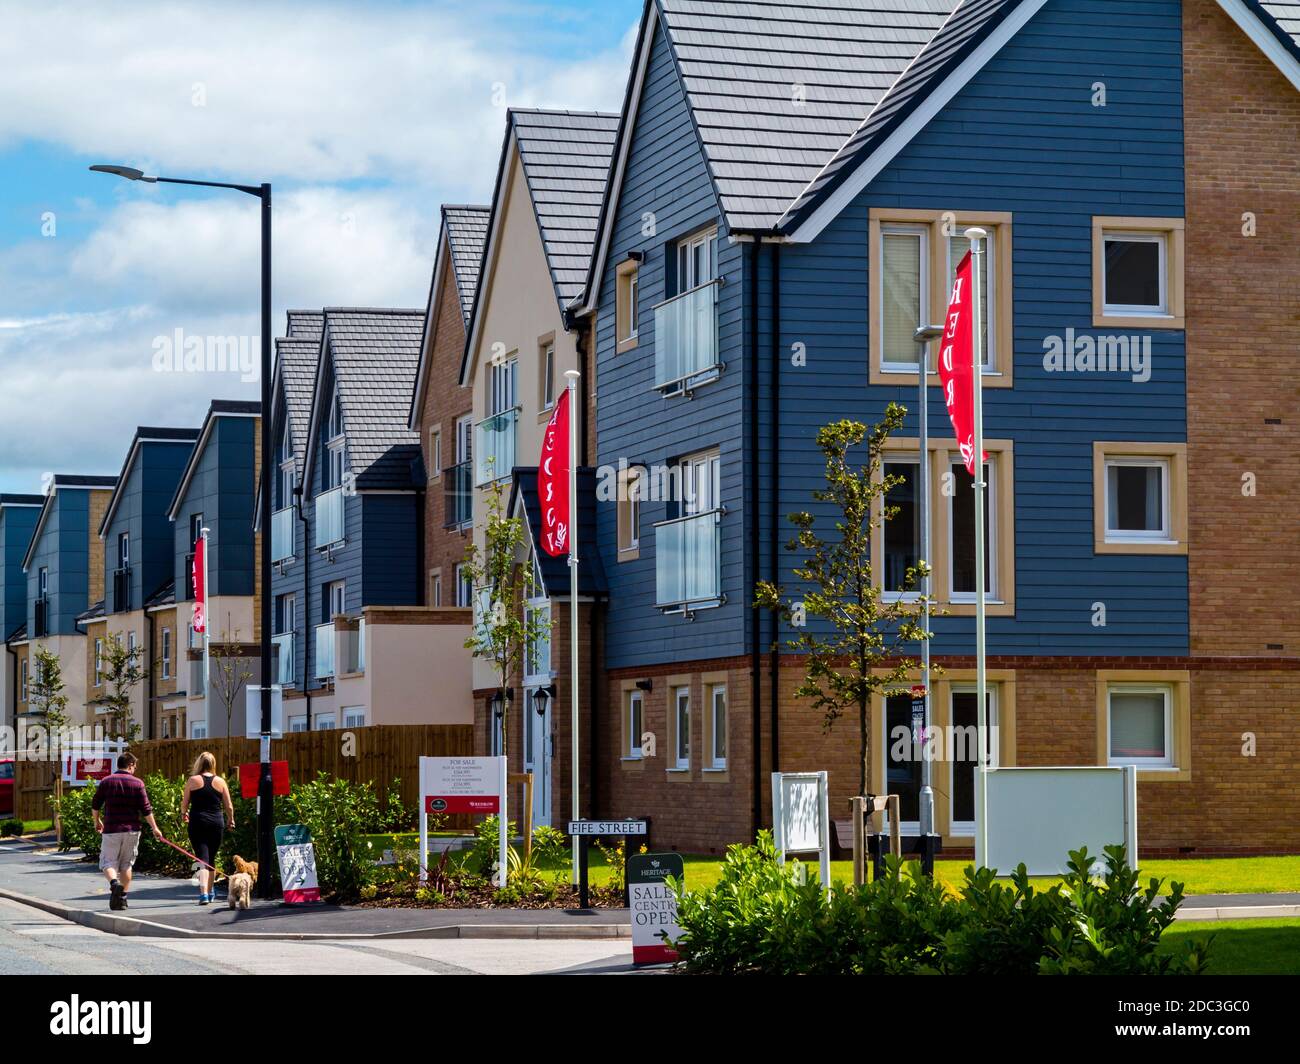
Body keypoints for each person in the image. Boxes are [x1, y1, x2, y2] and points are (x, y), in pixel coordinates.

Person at [91, 752, 163, 911]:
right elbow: (146, 809)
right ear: (130, 765)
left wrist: (97, 821)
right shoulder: (138, 783)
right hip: (132, 830)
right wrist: (155, 828)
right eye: (134, 766)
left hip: (111, 829)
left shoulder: (106, 781)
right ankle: (122, 899)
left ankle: (114, 884)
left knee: (108, 862)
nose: (135, 769)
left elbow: (96, 804)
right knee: (126, 865)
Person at [180, 752, 235, 905]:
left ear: (199, 764)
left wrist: (184, 814)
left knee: (201, 858)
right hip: (216, 823)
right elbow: (229, 806)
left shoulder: (192, 780)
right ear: (213, 764)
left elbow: (184, 803)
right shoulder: (221, 782)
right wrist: (231, 820)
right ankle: (210, 892)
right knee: (211, 858)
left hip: (198, 822)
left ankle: (204, 894)